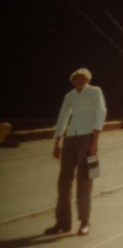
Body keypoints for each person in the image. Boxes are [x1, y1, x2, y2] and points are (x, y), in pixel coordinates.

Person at [45, 68, 107, 236]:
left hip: (88, 137)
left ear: (87, 79)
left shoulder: (95, 92)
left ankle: (85, 221)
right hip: (70, 138)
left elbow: (101, 113)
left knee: (85, 179)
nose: (79, 82)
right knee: (64, 181)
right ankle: (62, 222)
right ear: (72, 81)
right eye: (76, 79)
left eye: (82, 79)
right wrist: (58, 141)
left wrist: (95, 141)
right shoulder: (70, 96)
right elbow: (63, 116)